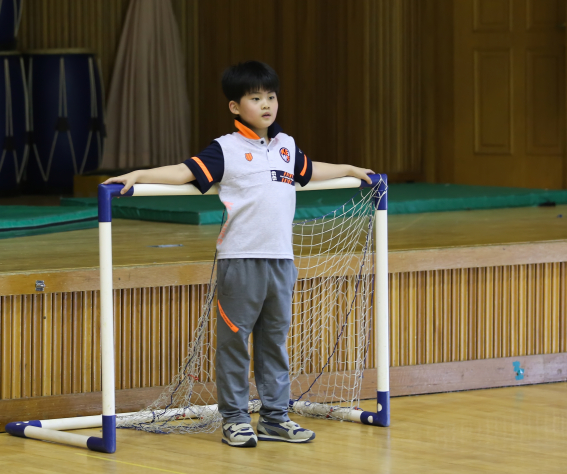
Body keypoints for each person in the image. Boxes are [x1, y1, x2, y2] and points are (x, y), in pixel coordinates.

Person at [103, 61, 373, 447]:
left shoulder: (287, 147)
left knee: (274, 343)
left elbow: (309, 171)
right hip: (240, 262)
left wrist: (348, 167)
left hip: (282, 262)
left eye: (271, 97)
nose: (266, 105)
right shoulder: (224, 150)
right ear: (235, 107)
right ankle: (235, 419)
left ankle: (276, 418)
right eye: (256, 98)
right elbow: (182, 173)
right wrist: (137, 175)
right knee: (235, 343)